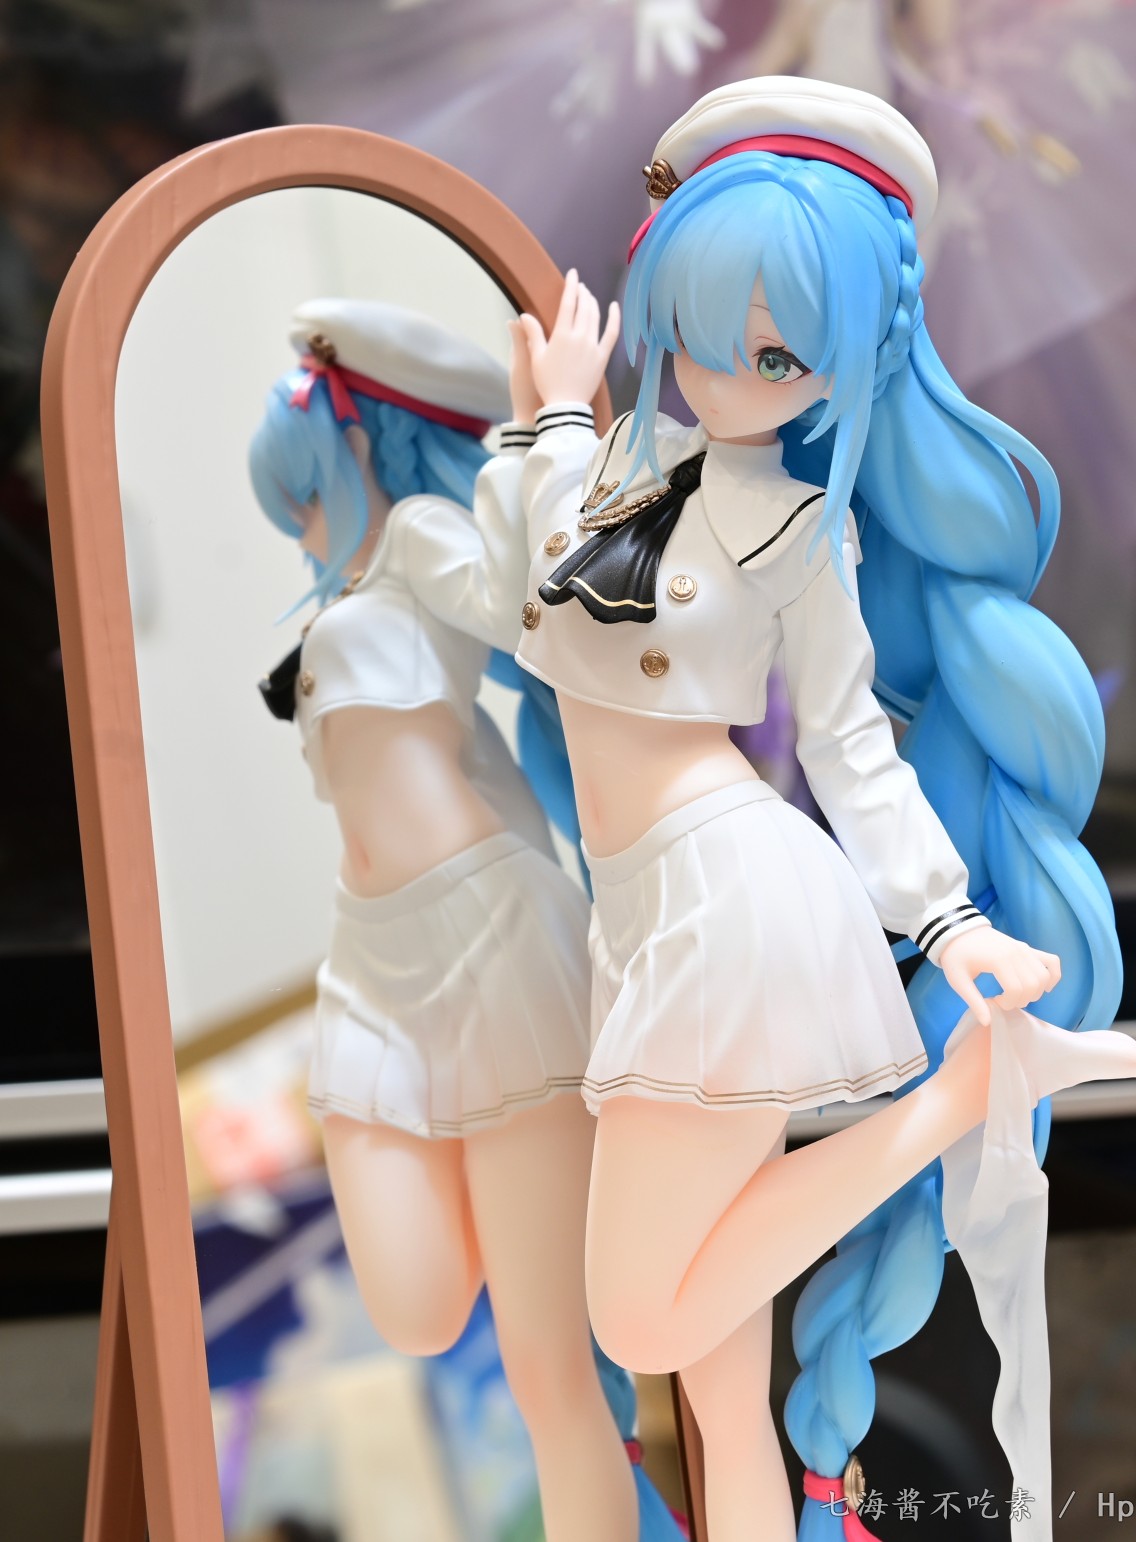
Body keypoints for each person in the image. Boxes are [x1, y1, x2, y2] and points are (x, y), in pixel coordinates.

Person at [508, 78, 1136, 1542]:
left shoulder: (800, 531)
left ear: (844, 366)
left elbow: (853, 745)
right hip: (658, 916)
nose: (726, 374)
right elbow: (543, 533)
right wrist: (553, 407)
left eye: (778, 353)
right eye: (699, 329)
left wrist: (948, 925)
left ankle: (953, 1101)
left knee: (638, 1316)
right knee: (716, 1377)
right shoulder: (613, 471)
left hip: (727, 905)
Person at [249, 298, 643, 1542]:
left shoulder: (420, 533)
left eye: (303, 490)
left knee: (545, 1367)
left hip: (487, 936)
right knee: (415, 1313)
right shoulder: (345, 592)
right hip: (370, 956)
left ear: (357, 447)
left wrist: (538, 436)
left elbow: (525, 605)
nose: (301, 524)